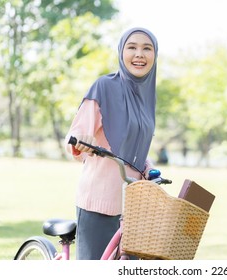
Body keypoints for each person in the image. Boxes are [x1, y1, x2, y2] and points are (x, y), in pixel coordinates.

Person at [64, 27, 158, 260]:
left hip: (133, 208)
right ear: (121, 52)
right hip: (99, 202)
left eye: (147, 48)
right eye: (132, 47)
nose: (139, 54)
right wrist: (83, 142)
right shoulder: (104, 87)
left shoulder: (147, 97)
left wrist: (148, 167)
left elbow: (133, 149)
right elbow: (73, 137)